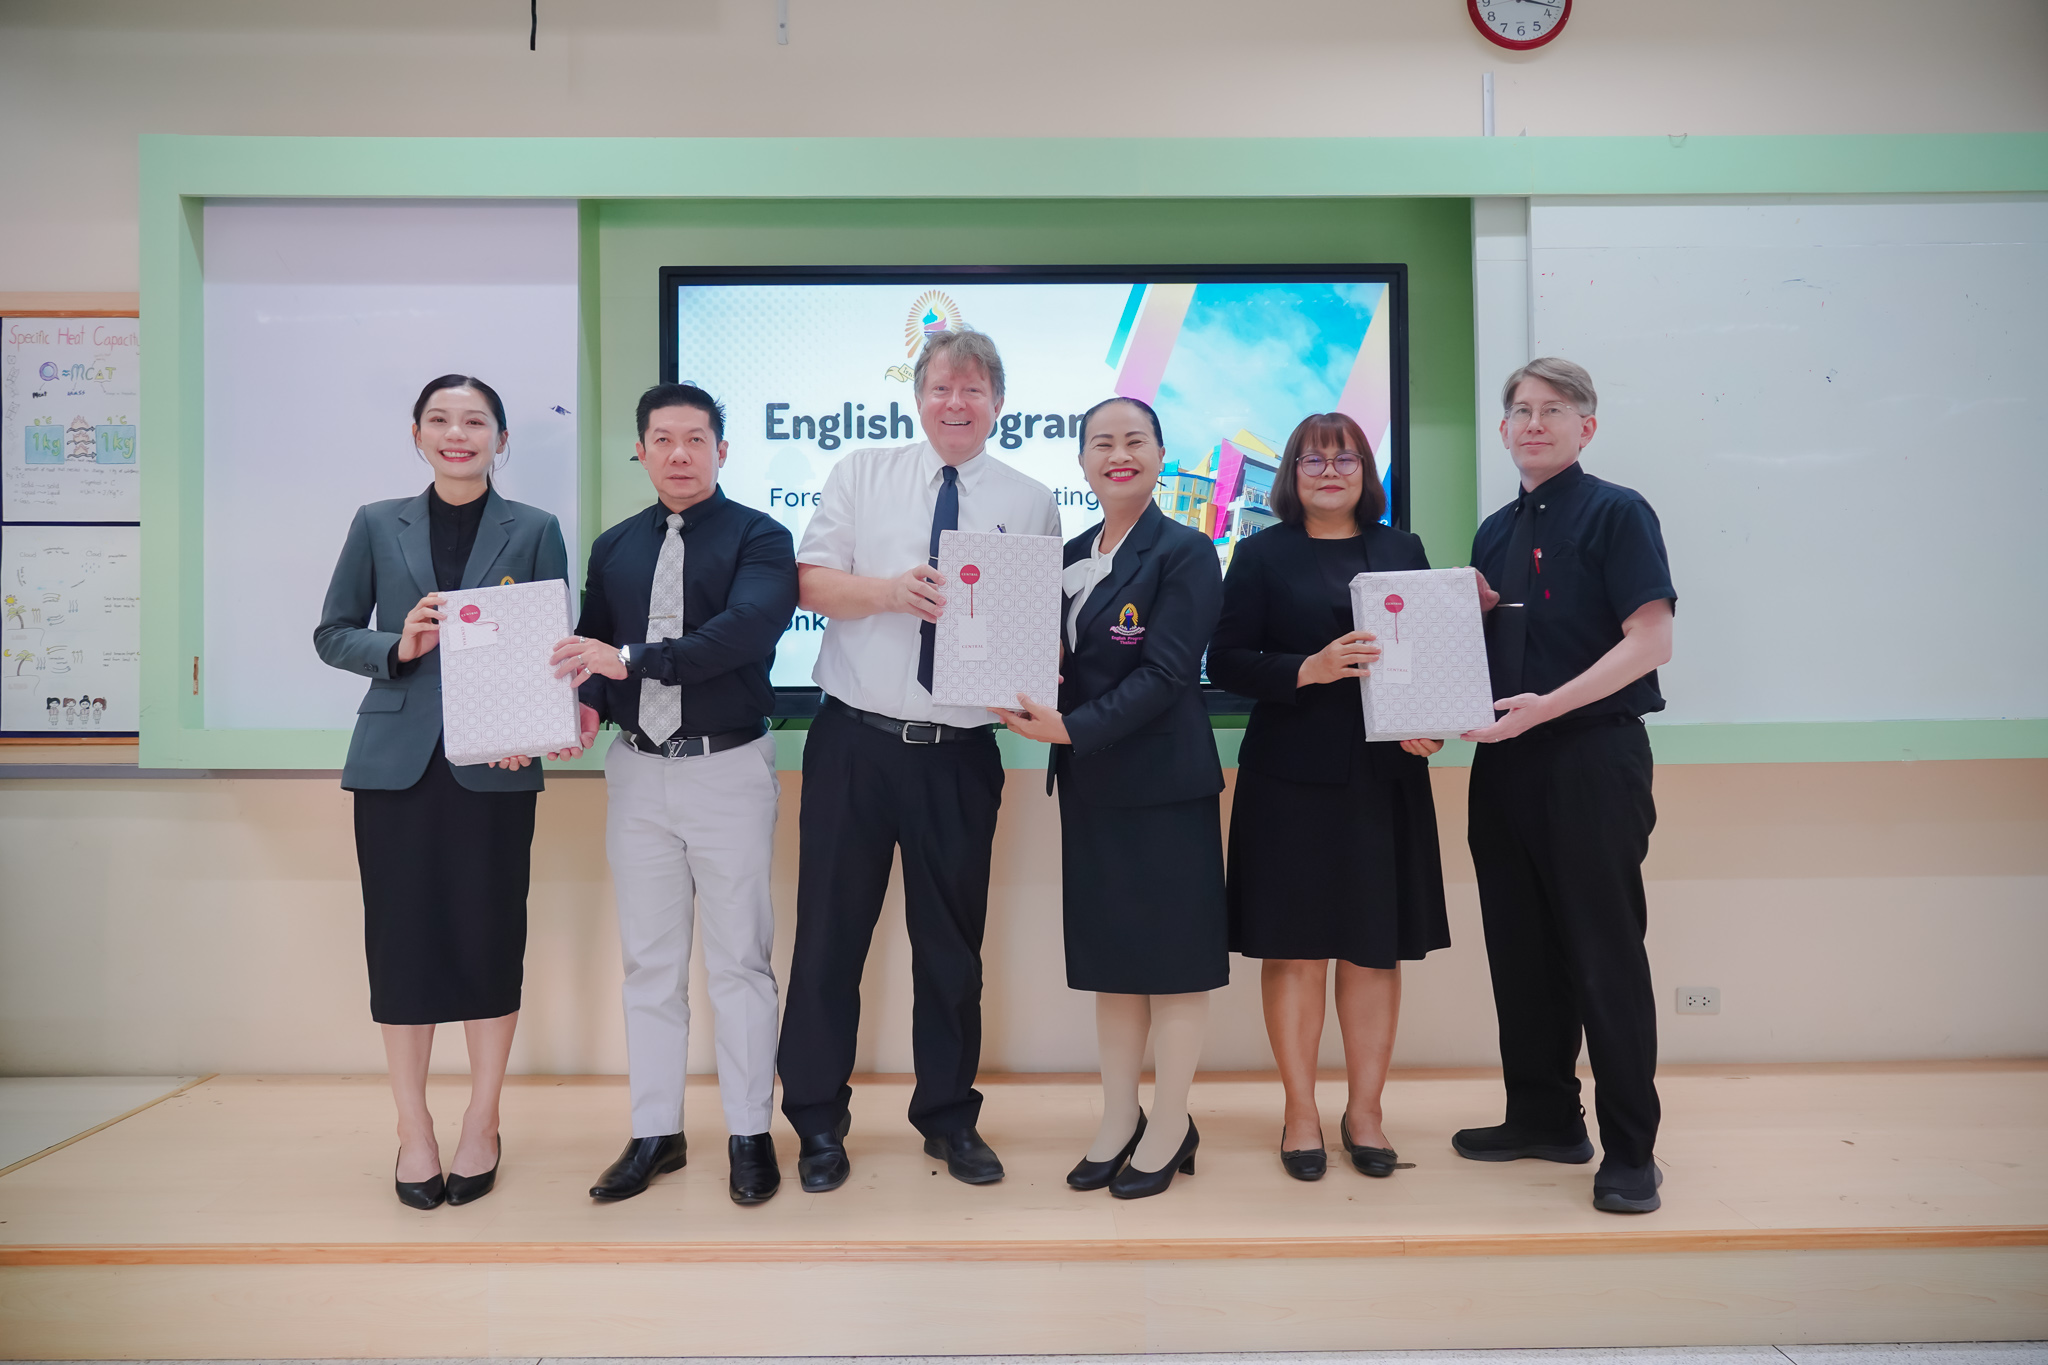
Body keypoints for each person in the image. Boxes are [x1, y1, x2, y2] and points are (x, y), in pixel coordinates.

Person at [776, 327, 1061, 1191]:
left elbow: (1038, 623)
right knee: (828, 941)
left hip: (960, 755)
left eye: (973, 390)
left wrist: (1035, 676)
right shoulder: (862, 473)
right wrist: (890, 592)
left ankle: (948, 1118)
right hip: (854, 744)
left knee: (951, 951)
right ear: (918, 397)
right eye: (942, 388)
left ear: (998, 404)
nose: (956, 403)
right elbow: (808, 581)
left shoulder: (1030, 500)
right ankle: (816, 1123)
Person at [314, 374, 572, 1211]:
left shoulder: (535, 529)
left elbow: (555, 647)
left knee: (488, 939)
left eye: (475, 421)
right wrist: (399, 645)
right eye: (440, 419)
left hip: (497, 765)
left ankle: (482, 1120)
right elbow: (332, 632)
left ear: (501, 438)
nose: (457, 433)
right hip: (395, 763)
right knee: (402, 945)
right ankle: (413, 1126)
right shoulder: (374, 522)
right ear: (417, 434)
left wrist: (533, 726)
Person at [549, 384, 798, 1206]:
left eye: (697, 438)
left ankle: (750, 1132)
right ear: (641, 449)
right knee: (649, 962)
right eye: (663, 438)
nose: (680, 453)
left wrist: (631, 660)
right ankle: (656, 1131)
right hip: (638, 770)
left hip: (728, 768)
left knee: (740, 961)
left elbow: (744, 632)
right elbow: (590, 644)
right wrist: (587, 701)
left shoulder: (762, 537)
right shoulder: (615, 545)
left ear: (722, 450)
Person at [992, 397, 1226, 1200]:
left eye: (1134, 441)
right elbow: (1056, 656)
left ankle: (1171, 1121)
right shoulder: (1066, 553)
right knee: (1115, 963)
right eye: (1101, 442)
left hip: (1164, 786)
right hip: (1092, 783)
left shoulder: (1187, 551)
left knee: (1174, 963)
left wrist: (1070, 726)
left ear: (1160, 454)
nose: (1118, 454)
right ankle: (1120, 1115)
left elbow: (1167, 673)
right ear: (1083, 462)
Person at [1207, 411, 1450, 1183]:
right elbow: (1226, 660)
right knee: (1295, 948)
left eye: (1345, 459)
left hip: (1385, 775)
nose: (1330, 472)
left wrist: (1431, 722)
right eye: (1313, 461)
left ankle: (1366, 1112)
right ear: (1291, 474)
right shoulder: (1259, 553)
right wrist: (1304, 669)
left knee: (1374, 947)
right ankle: (1302, 1111)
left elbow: (1430, 656)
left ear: (1366, 471)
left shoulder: (1403, 549)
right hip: (1289, 777)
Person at [1457, 357, 1676, 1215]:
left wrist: (1548, 705)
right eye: (1521, 410)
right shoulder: (1491, 533)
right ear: (1503, 429)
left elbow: (1650, 639)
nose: (1534, 422)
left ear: (1586, 427)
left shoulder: (1618, 512)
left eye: (1554, 409)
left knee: (1602, 954)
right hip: (1504, 763)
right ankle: (1544, 1117)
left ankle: (1632, 1150)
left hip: (1591, 757)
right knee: (1520, 950)